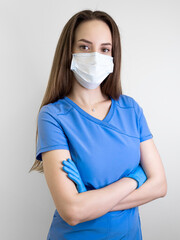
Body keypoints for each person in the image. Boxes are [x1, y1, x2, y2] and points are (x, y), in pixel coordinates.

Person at [29, 10, 167, 240]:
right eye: (84, 47)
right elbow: (72, 212)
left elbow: (160, 186)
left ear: (113, 56)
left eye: (105, 49)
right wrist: (135, 178)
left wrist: (92, 203)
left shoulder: (130, 109)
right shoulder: (52, 116)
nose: (95, 56)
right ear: (68, 52)